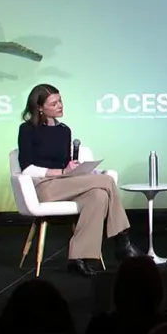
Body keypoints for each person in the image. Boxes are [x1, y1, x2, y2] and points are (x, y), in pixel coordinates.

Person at [16, 84, 141, 277]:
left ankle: (77, 258)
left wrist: (75, 169)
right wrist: (60, 171)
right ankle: (122, 241)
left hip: (65, 183)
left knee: (98, 196)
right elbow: (27, 168)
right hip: (43, 187)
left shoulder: (64, 130)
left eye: (60, 100)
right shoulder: (27, 130)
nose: (60, 105)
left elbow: (66, 163)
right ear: (39, 107)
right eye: (53, 103)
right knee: (107, 181)